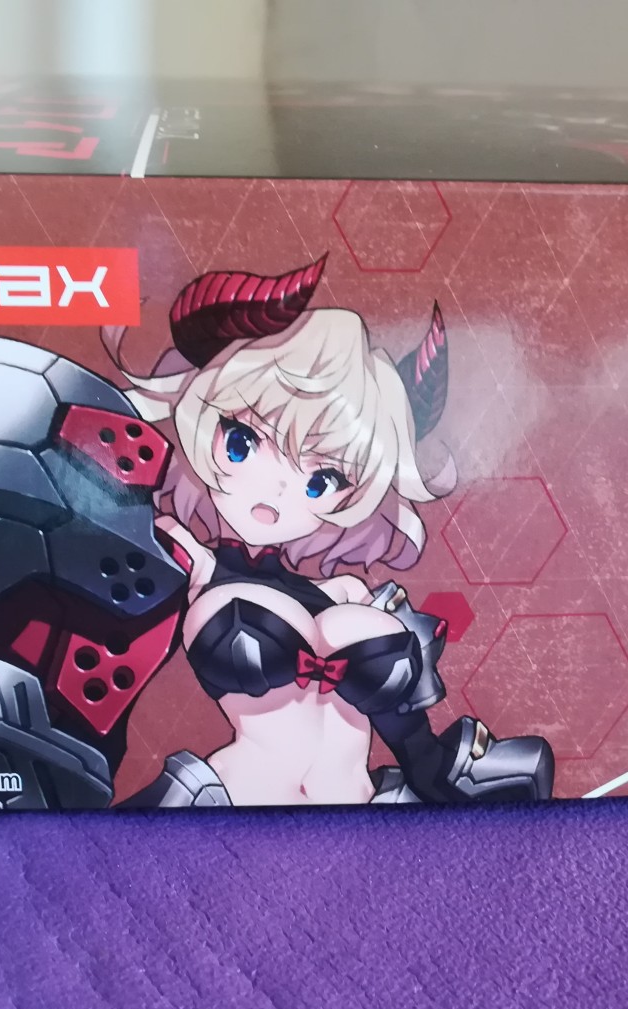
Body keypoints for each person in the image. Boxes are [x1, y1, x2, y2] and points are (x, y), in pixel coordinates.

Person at [108, 257, 555, 807]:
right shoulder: (183, 555)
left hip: (366, 811)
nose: (276, 491)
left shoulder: (342, 591)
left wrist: (436, 773)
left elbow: (415, 742)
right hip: (229, 810)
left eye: (322, 480)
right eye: (243, 443)